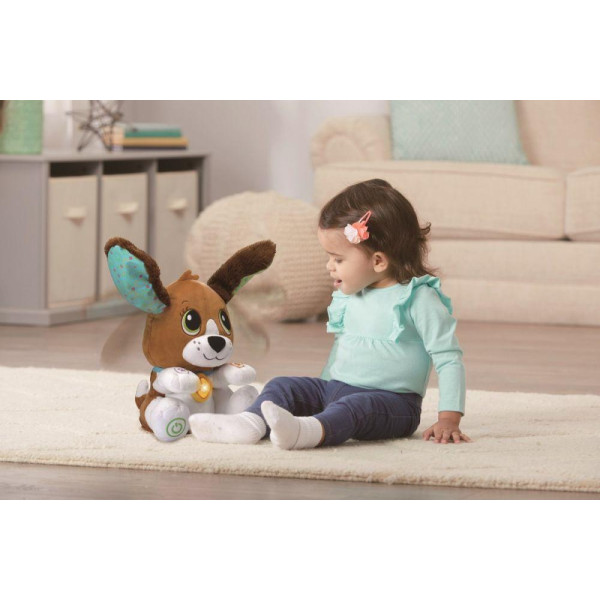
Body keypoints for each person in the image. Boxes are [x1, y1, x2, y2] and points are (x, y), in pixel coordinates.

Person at [190, 179, 471, 450]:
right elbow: (341, 348)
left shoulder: (418, 298)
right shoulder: (351, 293)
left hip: (392, 404)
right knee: (282, 385)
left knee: (355, 408)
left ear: (378, 260)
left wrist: (449, 418)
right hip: (335, 389)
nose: (329, 266)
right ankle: (249, 424)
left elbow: (448, 358)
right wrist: (321, 391)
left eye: (338, 259)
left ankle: (308, 432)